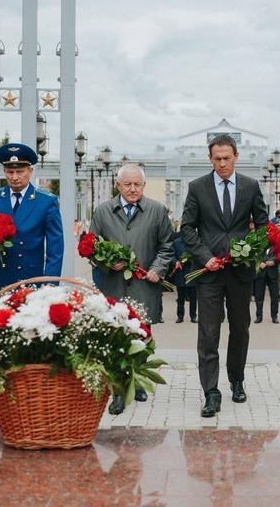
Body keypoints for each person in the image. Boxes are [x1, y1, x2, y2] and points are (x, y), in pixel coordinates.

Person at [180, 134, 269, 418]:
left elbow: (264, 225)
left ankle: (237, 379)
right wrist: (205, 257)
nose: (221, 164)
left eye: (226, 158)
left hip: (241, 272)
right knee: (208, 332)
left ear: (236, 156)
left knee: (240, 328)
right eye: (216, 159)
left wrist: (251, 249)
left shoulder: (250, 186)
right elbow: (187, 229)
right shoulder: (197, 188)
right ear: (210, 159)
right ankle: (211, 392)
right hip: (209, 273)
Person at [89, 163, 174, 414]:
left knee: (141, 336)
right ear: (118, 185)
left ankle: (137, 380)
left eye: (137, 184)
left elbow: (167, 246)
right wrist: (106, 262)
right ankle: (118, 389)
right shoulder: (103, 212)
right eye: (128, 184)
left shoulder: (157, 211)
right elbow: (91, 247)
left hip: (143, 285)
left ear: (144, 186)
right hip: (112, 286)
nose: (133, 189)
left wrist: (158, 269)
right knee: (114, 337)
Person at [0, 143, 64, 296]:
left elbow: (55, 250)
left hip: (30, 281)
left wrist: (49, 287)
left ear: (30, 171)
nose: (14, 177)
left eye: (20, 171)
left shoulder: (46, 202)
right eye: (10, 172)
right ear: (4, 171)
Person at [252, 236, 280, 324]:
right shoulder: (259, 246)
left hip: (272, 273)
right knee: (259, 296)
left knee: (274, 296)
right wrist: (259, 262)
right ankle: (259, 316)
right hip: (261, 273)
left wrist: (272, 262)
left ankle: (274, 316)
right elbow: (253, 255)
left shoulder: (277, 245)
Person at [171, 231, 198, 323]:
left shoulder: (195, 242)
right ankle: (180, 316)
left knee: (193, 297)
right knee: (180, 296)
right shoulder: (176, 242)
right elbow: (172, 255)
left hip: (192, 272)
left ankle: (193, 316)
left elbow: (199, 254)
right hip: (180, 272)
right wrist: (176, 262)